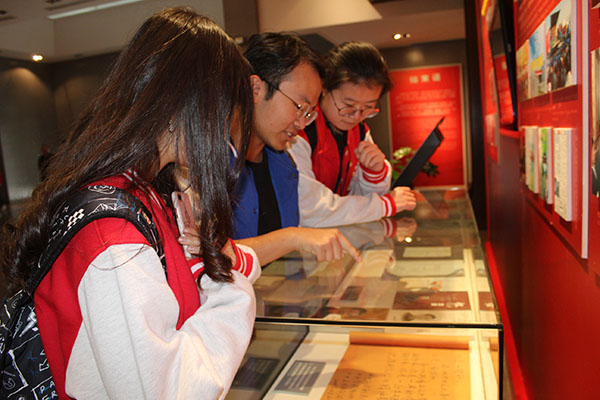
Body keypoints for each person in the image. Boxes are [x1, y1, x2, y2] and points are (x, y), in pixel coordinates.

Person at [0, 8, 260, 399]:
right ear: (187, 105)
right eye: (224, 114)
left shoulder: (142, 192)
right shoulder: (115, 236)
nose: (224, 132)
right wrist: (234, 292)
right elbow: (173, 390)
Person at [220, 32, 360, 266]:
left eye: (309, 113)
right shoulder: (210, 165)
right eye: (299, 106)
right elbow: (208, 258)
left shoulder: (284, 164)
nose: (302, 123)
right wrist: (292, 238)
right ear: (255, 88)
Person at [288, 41, 417, 227]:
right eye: (348, 105)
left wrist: (373, 172)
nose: (356, 116)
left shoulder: (360, 131)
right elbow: (310, 210)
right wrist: (384, 205)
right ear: (324, 89)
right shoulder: (299, 129)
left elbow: (361, 202)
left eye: (368, 107)